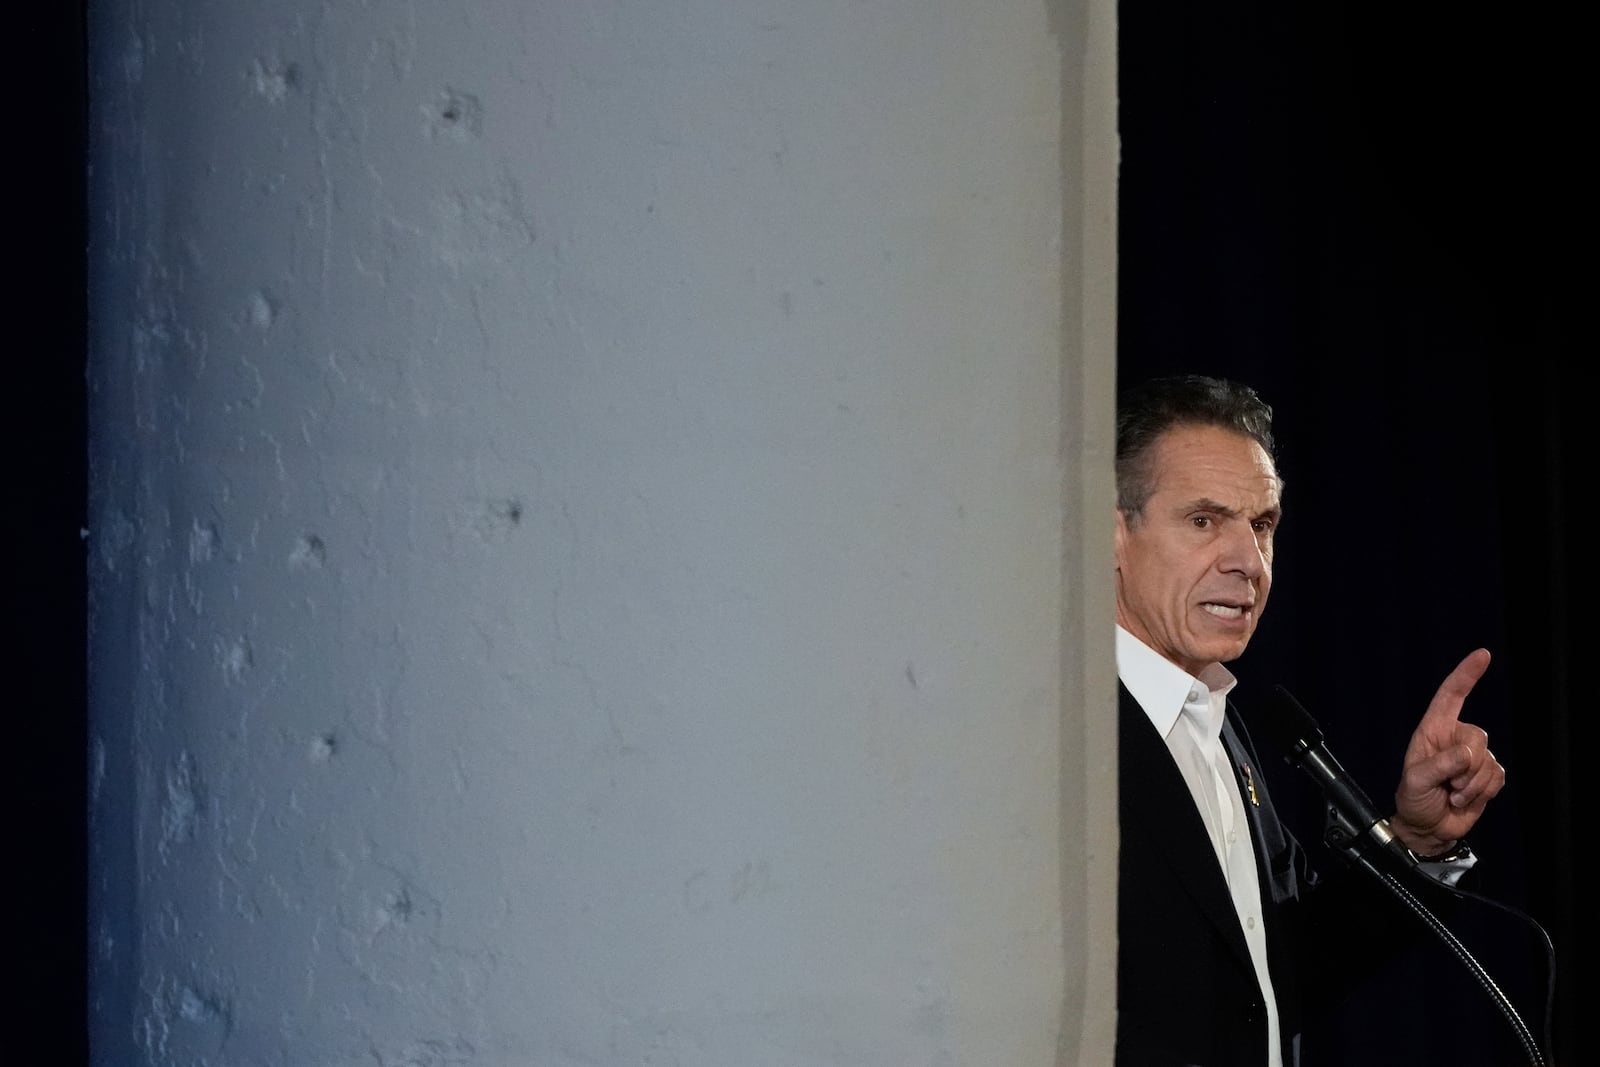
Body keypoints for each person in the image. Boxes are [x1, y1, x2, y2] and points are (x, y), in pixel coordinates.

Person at [1112, 373, 1507, 1066]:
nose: (1248, 562)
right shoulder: (1061, 740)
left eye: (1262, 524)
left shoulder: (1221, 725)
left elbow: (1275, 974)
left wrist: (1415, 842)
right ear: (1114, 531)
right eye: (1204, 520)